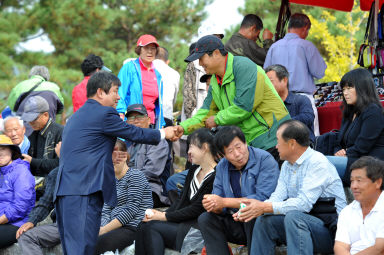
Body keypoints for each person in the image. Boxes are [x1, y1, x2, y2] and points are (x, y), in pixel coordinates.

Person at [53, 71, 176, 255]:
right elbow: (133, 132)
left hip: (68, 191)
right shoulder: (103, 113)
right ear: (101, 92)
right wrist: (164, 133)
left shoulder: (78, 116)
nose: (119, 97)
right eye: (115, 91)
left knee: (75, 249)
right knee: (83, 248)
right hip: (82, 193)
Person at [18, 139, 153, 255]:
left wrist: (103, 230)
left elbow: (130, 210)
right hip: (105, 225)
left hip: (131, 226)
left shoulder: (135, 176)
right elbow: (105, 209)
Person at [175, 35, 290, 157]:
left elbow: (243, 107)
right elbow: (205, 113)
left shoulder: (243, 67)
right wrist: (182, 128)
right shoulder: (214, 80)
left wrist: (217, 119)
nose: (199, 63)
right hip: (250, 143)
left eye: (201, 58)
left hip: (274, 138)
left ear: (216, 53)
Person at [246, 120, 346, 255]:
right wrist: (257, 208)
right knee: (265, 221)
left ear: (292, 143)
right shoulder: (287, 165)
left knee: (294, 217)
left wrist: (264, 207)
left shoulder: (318, 163)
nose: (276, 146)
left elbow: (303, 204)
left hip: (332, 232)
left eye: (278, 141)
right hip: (304, 224)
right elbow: (278, 196)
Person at [198, 126, 279, 255]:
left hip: (262, 222)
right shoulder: (222, 167)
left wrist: (224, 202)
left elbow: (263, 198)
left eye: (239, 147)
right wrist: (213, 204)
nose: (237, 154)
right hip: (236, 221)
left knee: (250, 211)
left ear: (245, 142)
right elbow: (219, 201)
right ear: (222, 155)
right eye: (230, 151)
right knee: (206, 218)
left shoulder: (264, 159)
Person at [135, 128, 218, 255]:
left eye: (191, 147)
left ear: (205, 147)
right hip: (183, 223)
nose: (188, 152)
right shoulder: (194, 170)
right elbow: (181, 200)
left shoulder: (216, 175)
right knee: (143, 225)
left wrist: (164, 216)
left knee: (152, 227)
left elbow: (197, 209)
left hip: (198, 229)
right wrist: (161, 214)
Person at [264, 13, 327, 136]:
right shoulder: (306, 45)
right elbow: (320, 72)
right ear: (305, 28)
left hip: (279, 100)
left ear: (289, 27)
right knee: (310, 139)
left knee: (282, 138)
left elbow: (266, 74)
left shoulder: (274, 47)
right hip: (303, 99)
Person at [326, 68, 384, 185]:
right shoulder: (350, 112)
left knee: (319, 163)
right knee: (313, 162)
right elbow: (339, 142)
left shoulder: (373, 111)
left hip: (369, 164)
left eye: (349, 88)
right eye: (343, 89)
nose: (345, 93)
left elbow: (362, 147)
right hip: (351, 160)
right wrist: (338, 152)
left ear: (363, 88)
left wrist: (345, 153)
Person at [334, 156, 384, 255]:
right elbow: (340, 246)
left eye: (359, 180)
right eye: (352, 181)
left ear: (378, 182)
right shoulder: (347, 211)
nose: (353, 186)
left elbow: (380, 248)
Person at [125, 104, 171, 207]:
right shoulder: (125, 143)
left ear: (149, 120)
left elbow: (150, 172)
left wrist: (125, 183)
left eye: (140, 117)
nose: (136, 121)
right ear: (126, 122)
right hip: (126, 187)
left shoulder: (157, 140)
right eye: (131, 117)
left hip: (151, 189)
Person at [117, 34, 165, 128]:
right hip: (132, 122)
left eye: (153, 48)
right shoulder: (129, 68)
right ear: (139, 49)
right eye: (146, 48)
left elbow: (159, 104)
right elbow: (119, 93)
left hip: (151, 123)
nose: (150, 51)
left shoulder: (158, 75)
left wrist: (161, 123)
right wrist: (120, 113)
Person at [0, 135, 35, 248]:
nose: (0, 153)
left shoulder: (21, 171)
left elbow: (20, 206)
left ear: (12, 150)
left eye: (3, 149)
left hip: (17, 223)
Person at [7, 66, 64, 136]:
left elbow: (11, 107)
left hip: (25, 131)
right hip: (48, 132)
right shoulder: (54, 87)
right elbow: (60, 109)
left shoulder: (20, 86)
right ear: (47, 76)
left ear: (31, 75)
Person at [265, 64, 315, 142]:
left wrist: (283, 124)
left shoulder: (301, 99)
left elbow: (308, 117)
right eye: (266, 82)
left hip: (302, 146)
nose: (268, 85)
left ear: (285, 80)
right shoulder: (269, 105)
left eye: (271, 81)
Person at [20, 96, 63, 176]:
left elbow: (60, 164)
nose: (30, 122)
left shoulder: (61, 132)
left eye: (34, 119)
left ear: (45, 115)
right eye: (28, 119)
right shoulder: (33, 135)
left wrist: (32, 161)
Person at [153, 47, 180, 126]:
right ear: (167, 62)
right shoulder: (175, 74)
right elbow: (173, 99)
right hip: (166, 116)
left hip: (148, 116)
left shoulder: (145, 70)